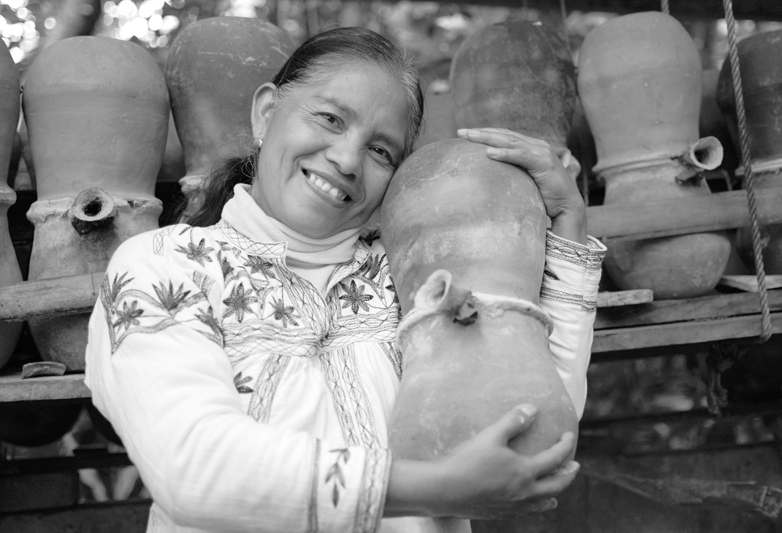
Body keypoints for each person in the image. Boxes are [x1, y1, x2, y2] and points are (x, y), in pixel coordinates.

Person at [85, 26, 605, 533]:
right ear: (267, 113)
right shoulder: (163, 266)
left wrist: (569, 228)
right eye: (331, 118)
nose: (348, 159)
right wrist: (431, 489)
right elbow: (189, 467)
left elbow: (533, 427)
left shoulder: (415, 277)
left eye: (381, 151)